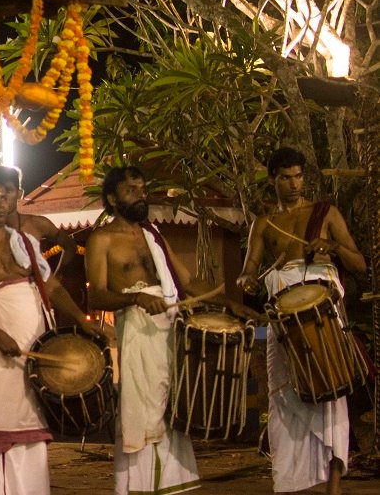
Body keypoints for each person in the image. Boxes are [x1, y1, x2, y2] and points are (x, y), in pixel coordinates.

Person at [0, 172, 101, 495]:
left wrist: (80, 319)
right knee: (3, 430)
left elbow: (52, 286)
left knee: (33, 426)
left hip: (35, 342)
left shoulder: (25, 244)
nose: (2, 204)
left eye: (5, 196)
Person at [236, 147, 366, 495]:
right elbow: (247, 274)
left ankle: (333, 486)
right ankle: (292, 484)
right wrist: (246, 282)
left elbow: (360, 265)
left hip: (321, 309)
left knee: (331, 394)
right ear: (272, 180)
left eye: (299, 176)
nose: (294, 184)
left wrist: (333, 248)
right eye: (286, 178)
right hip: (283, 315)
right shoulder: (264, 224)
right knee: (283, 396)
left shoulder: (325, 214)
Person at [84, 165, 204, 495]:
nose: (140, 195)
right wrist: (135, 297)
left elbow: (187, 281)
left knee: (172, 410)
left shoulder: (153, 235)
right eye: (131, 190)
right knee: (145, 414)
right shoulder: (102, 239)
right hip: (138, 331)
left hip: (170, 329)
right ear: (112, 198)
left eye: (142, 188)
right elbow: (96, 294)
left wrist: (230, 301)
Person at [0, 165, 81, 271]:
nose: (2, 198)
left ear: (19, 193)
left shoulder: (37, 224)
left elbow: (70, 246)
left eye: (8, 191)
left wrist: (57, 276)